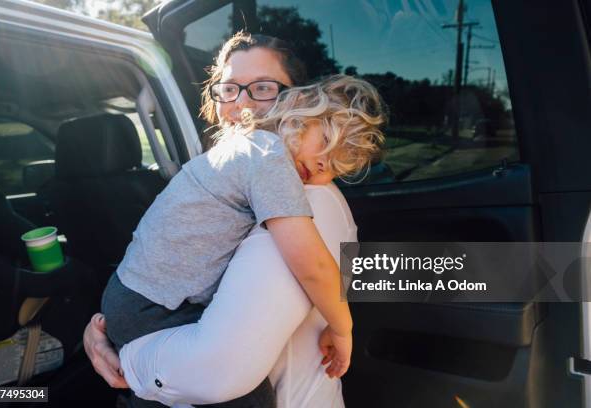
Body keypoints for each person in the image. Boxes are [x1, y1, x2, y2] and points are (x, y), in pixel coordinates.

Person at [85, 32, 386, 407]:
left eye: (261, 88)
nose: (242, 104)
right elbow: (312, 267)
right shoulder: (266, 157)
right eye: (229, 88)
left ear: (295, 95)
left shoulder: (258, 167)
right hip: (154, 308)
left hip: (138, 301)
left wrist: (115, 333)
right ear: (299, 107)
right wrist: (342, 329)